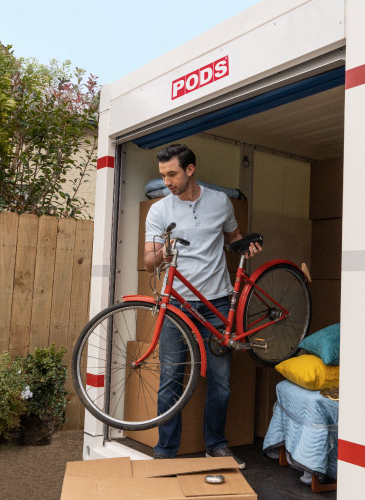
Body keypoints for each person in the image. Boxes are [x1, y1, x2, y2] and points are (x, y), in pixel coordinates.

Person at [143, 144, 261, 468]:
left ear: (190, 170)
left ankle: (217, 446)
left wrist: (245, 246)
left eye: (172, 174)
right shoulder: (160, 211)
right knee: (171, 380)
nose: (166, 181)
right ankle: (165, 452)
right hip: (177, 304)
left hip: (217, 301)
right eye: (162, 175)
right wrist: (164, 252)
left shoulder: (220, 202)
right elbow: (149, 262)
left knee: (220, 382)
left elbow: (233, 237)